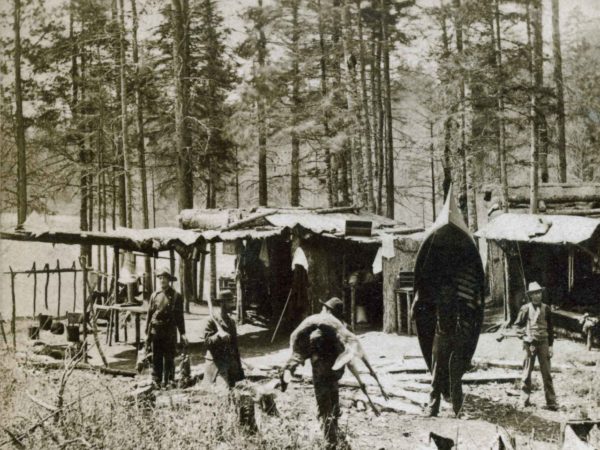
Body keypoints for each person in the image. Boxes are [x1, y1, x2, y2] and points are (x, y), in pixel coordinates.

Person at [281, 297, 346, 448]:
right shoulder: (341, 326)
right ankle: (333, 431)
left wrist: (311, 354)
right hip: (335, 370)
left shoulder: (321, 326)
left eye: (324, 308)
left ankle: (329, 439)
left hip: (321, 369)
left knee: (324, 402)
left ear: (327, 310)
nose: (322, 310)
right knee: (333, 398)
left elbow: (311, 340)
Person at [513, 281, 558, 410]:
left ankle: (551, 402)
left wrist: (550, 346)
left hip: (544, 342)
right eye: (534, 294)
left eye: (539, 293)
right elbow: (517, 325)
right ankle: (524, 400)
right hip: (530, 344)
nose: (538, 296)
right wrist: (522, 333)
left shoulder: (546, 308)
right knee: (526, 373)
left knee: (547, 374)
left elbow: (550, 328)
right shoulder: (525, 308)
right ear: (530, 296)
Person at [424, 282, 464, 417]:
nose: (447, 293)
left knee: (455, 375)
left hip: (453, 337)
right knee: (437, 374)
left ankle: (458, 409)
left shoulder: (457, 300)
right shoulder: (436, 299)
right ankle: (433, 407)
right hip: (440, 337)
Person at [145, 268, 188, 388]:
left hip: (169, 331)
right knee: (156, 356)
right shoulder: (154, 295)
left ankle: (170, 380)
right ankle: (156, 380)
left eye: (164, 277)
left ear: (169, 279)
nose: (162, 280)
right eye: (160, 278)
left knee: (169, 356)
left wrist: (183, 333)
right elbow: (149, 314)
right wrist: (146, 333)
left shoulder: (176, 296)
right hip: (156, 330)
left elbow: (180, 316)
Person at [202, 290, 245, 389]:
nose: (232, 304)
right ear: (222, 303)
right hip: (216, 365)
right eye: (229, 301)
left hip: (230, 364)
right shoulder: (211, 320)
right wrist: (218, 336)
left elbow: (235, 347)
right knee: (222, 391)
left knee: (237, 390)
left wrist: (239, 369)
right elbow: (207, 343)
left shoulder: (231, 322)